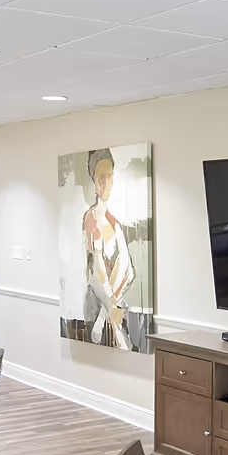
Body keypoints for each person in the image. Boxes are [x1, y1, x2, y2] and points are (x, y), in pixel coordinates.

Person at [82, 149, 135, 348]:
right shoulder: (91, 219)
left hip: (115, 309)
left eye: (109, 176)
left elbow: (129, 272)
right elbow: (94, 273)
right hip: (98, 308)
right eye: (99, 178)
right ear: (93, 180)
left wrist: (113, 306)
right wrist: (109, 308)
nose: (105, 183)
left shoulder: (116, 225)